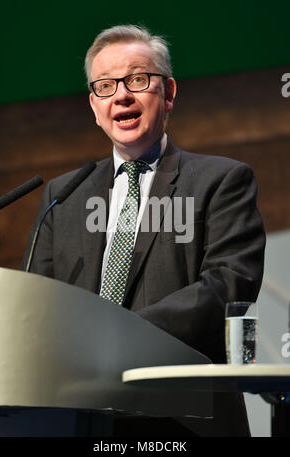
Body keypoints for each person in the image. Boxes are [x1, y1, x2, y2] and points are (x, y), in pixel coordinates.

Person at [24, 25, 266, 436]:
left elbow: (229, 284)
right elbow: (37, 303)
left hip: (183, 417)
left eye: (137, 79)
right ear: (94, 106)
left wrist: (121, 336)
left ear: (168, 94)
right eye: (105, 86)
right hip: (79, 415)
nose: (121, 95)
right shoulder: (63, 195)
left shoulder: (221, 180)